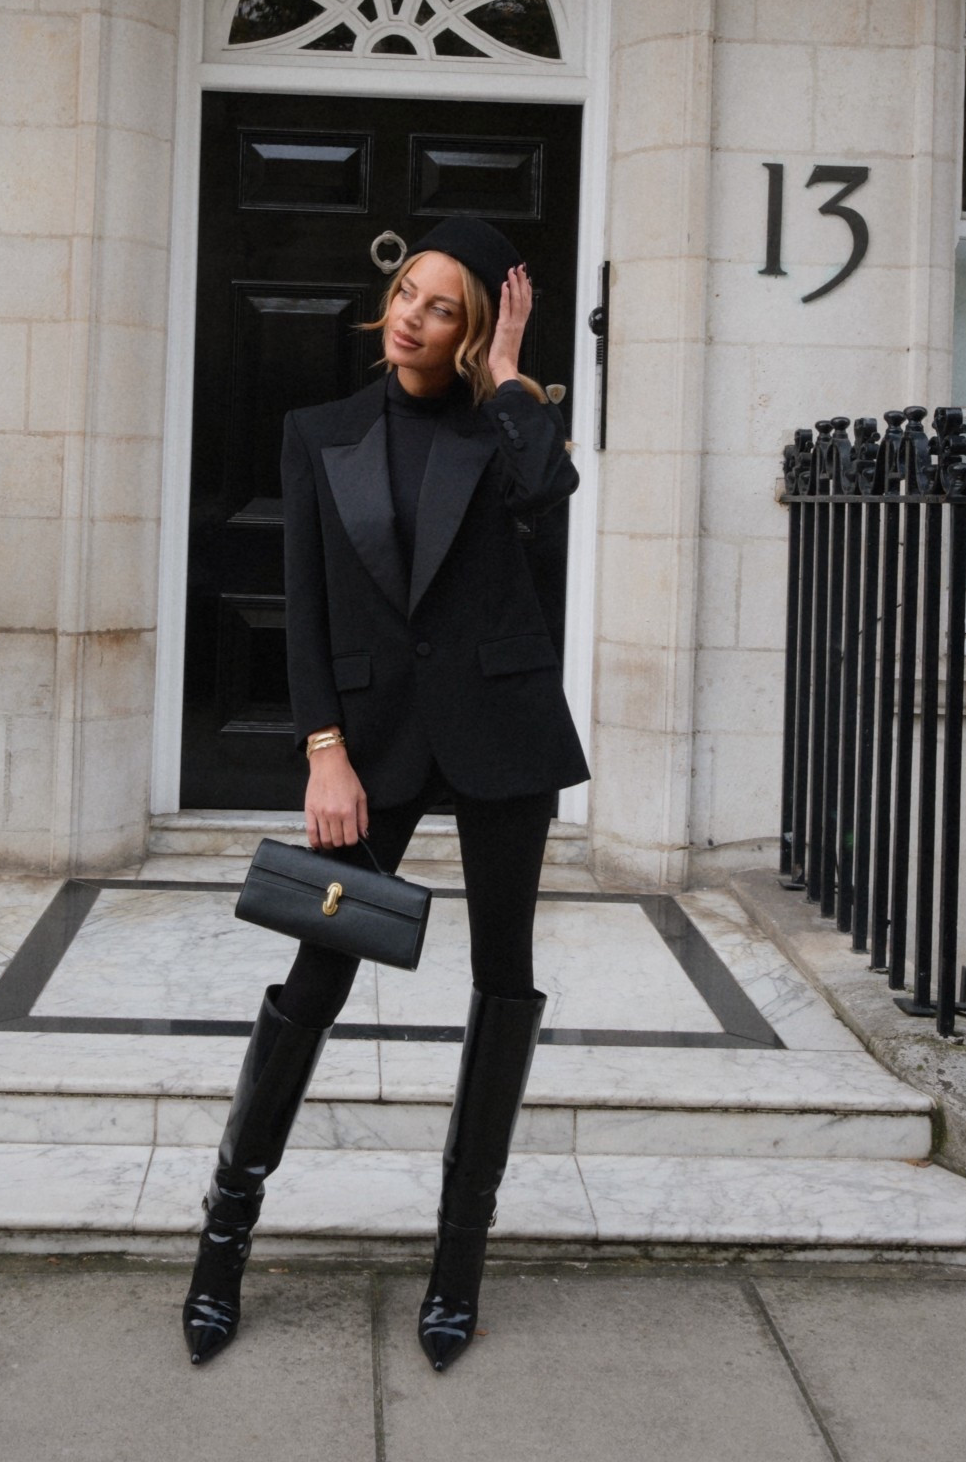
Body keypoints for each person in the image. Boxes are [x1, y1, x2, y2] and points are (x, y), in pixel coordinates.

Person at [181, 214, 589, 1373]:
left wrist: (513, 377)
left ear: (469, 330)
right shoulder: (321, 432)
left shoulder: (501, 425)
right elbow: (305, 600)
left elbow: (545, 494)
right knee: (312, 978)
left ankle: (458, 1263)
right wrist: (322, 749)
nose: (412, 313)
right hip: (370, 748)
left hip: (501, 737)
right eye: (408, 291)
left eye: (442, 303)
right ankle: (222, 1239)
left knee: (501, 984)